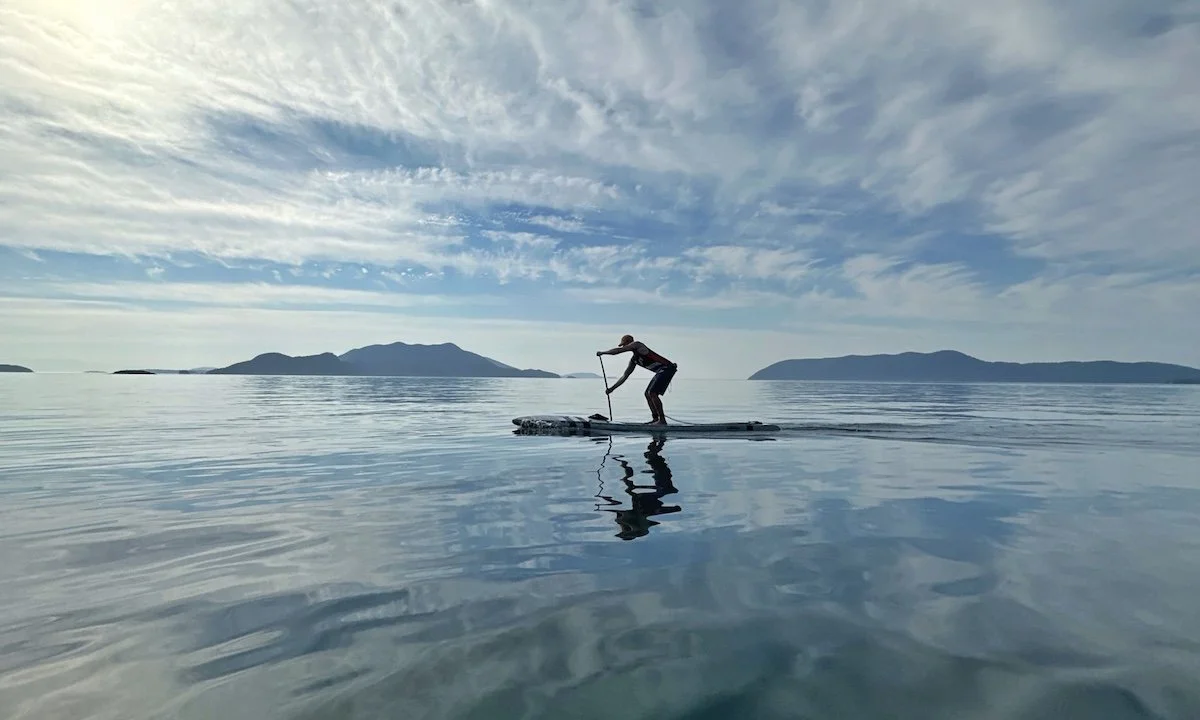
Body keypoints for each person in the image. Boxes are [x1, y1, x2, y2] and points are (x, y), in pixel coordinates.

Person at [596, 334, 678, 425]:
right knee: (647, 394)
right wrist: (612, 389)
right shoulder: (634, 360)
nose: (623, 347)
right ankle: (655, 419)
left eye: (624, 344)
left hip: (667, 368)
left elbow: (619, 351)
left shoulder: (638, 345)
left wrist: (603, 353)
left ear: (629, 343)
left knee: (652, 393)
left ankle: (662, 420)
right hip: (661, 371)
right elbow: (625, 376)